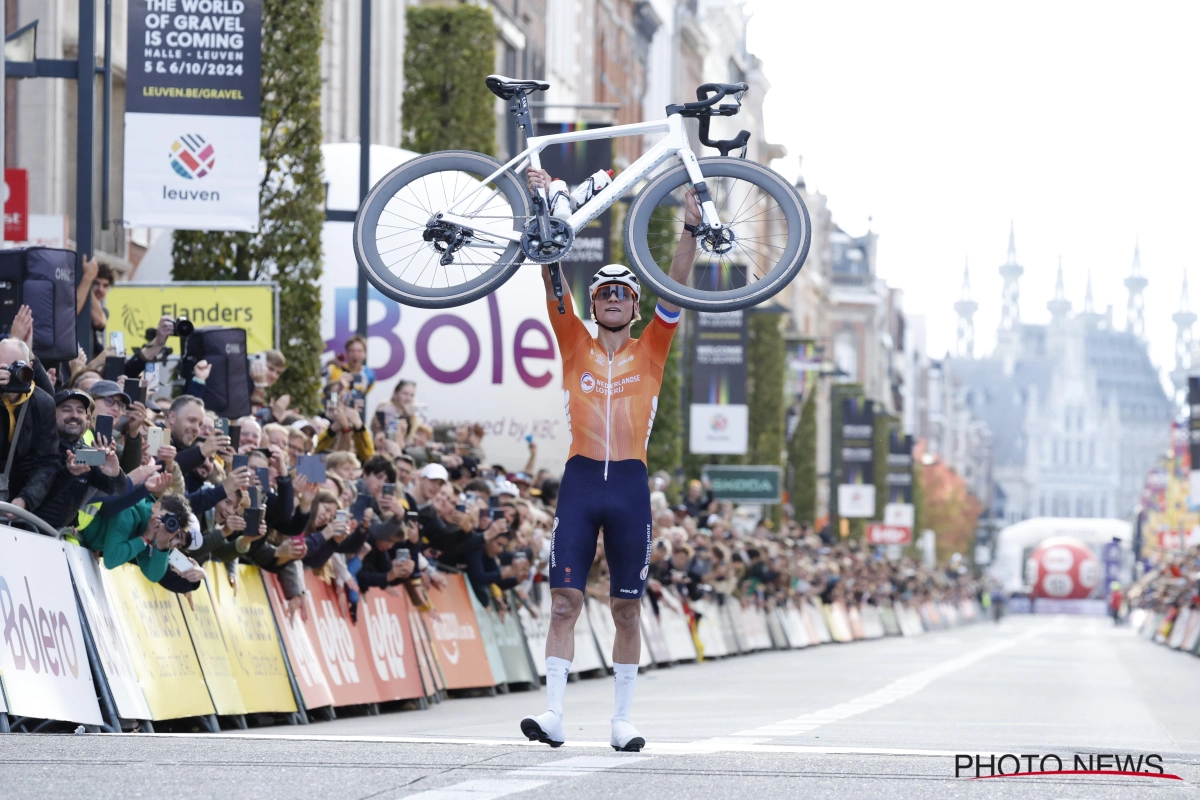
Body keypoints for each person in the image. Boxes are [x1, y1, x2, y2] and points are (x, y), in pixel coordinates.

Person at [518, 166, 700, 752]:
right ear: (594, 302)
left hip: (629, 485)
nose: (615, 298)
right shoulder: (574, 342)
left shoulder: (654, 346)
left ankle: (622, 721)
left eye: (624, 292)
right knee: (565, 601)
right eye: (605, 292)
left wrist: (691, 232)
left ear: (634, 303)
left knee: (626, 609)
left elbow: (674, 286)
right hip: (578, 481)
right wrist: (540, 203)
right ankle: (552, 714)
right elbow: (552, 277)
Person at [0, 338, 59, 512]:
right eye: (2, 368)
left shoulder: (43, 403)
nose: (9, 375)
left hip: (17, 488)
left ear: (30, 367)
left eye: (15, 368)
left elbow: (47, 461)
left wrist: (27, 499)